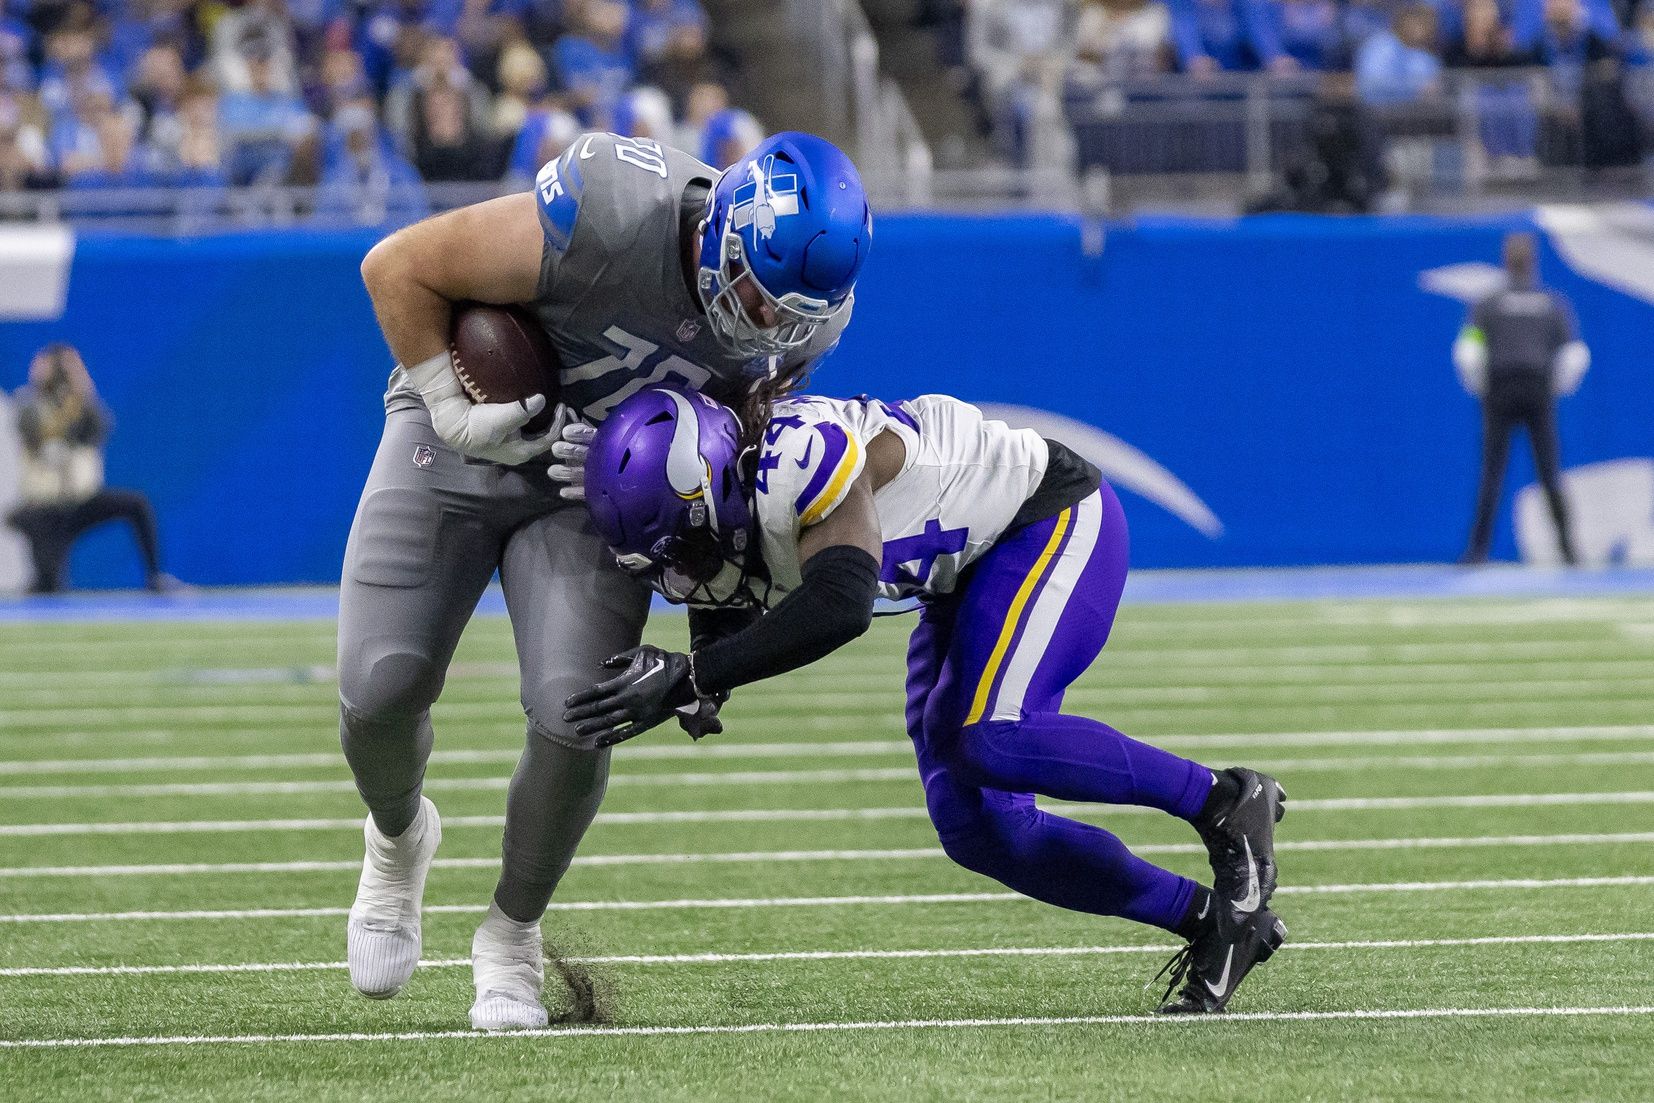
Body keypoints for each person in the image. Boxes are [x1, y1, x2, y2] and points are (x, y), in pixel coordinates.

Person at [342, 129, 871, 1031]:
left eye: (786, 311)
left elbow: (745, 436)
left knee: (578, 710)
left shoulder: (811, 314)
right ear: (726, 228)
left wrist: (715, 621)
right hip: (464, 431)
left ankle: (512, 933)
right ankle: (398, 840)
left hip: (603, 488)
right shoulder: (613, 207)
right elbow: (397, 266)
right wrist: (449, 403)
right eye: (752, 288)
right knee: (380, 682)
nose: (764, 322)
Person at [563, 386, 1289, 1015]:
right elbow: (732, 582)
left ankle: (1224, 798)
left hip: (1048, 520)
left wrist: (695, 674)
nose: (682, 576)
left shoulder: (795, 464)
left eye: (684, 552)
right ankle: (1206, 918)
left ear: (719, 479)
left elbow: (841, 603)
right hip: (962, 576)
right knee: (976, 827)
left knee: (992, 736)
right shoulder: (726, 502)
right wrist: (706, 669)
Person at [1455, 232, 1588, 566]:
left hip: (1499, 390)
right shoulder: (1550, 303)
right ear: (1533, 262)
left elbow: (1468, 353)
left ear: (1505, 261)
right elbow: (1575, 355)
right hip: (1537, 389)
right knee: (1548, 472)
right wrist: (1556, 387)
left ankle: (1477, 552)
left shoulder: (1488, 303)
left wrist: (1479, 386)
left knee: (1492, 473)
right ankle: (1568, 551)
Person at [5, 343, 180, 594]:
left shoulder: (83, 405)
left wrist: (76, 383)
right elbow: (31, 429)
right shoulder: (29, 404)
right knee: (49, 584)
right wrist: (46, 388)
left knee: (136, 504)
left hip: (82, 500)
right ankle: (43, 582)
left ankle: (155, 576)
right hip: (45, 507)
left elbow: (97, 428)